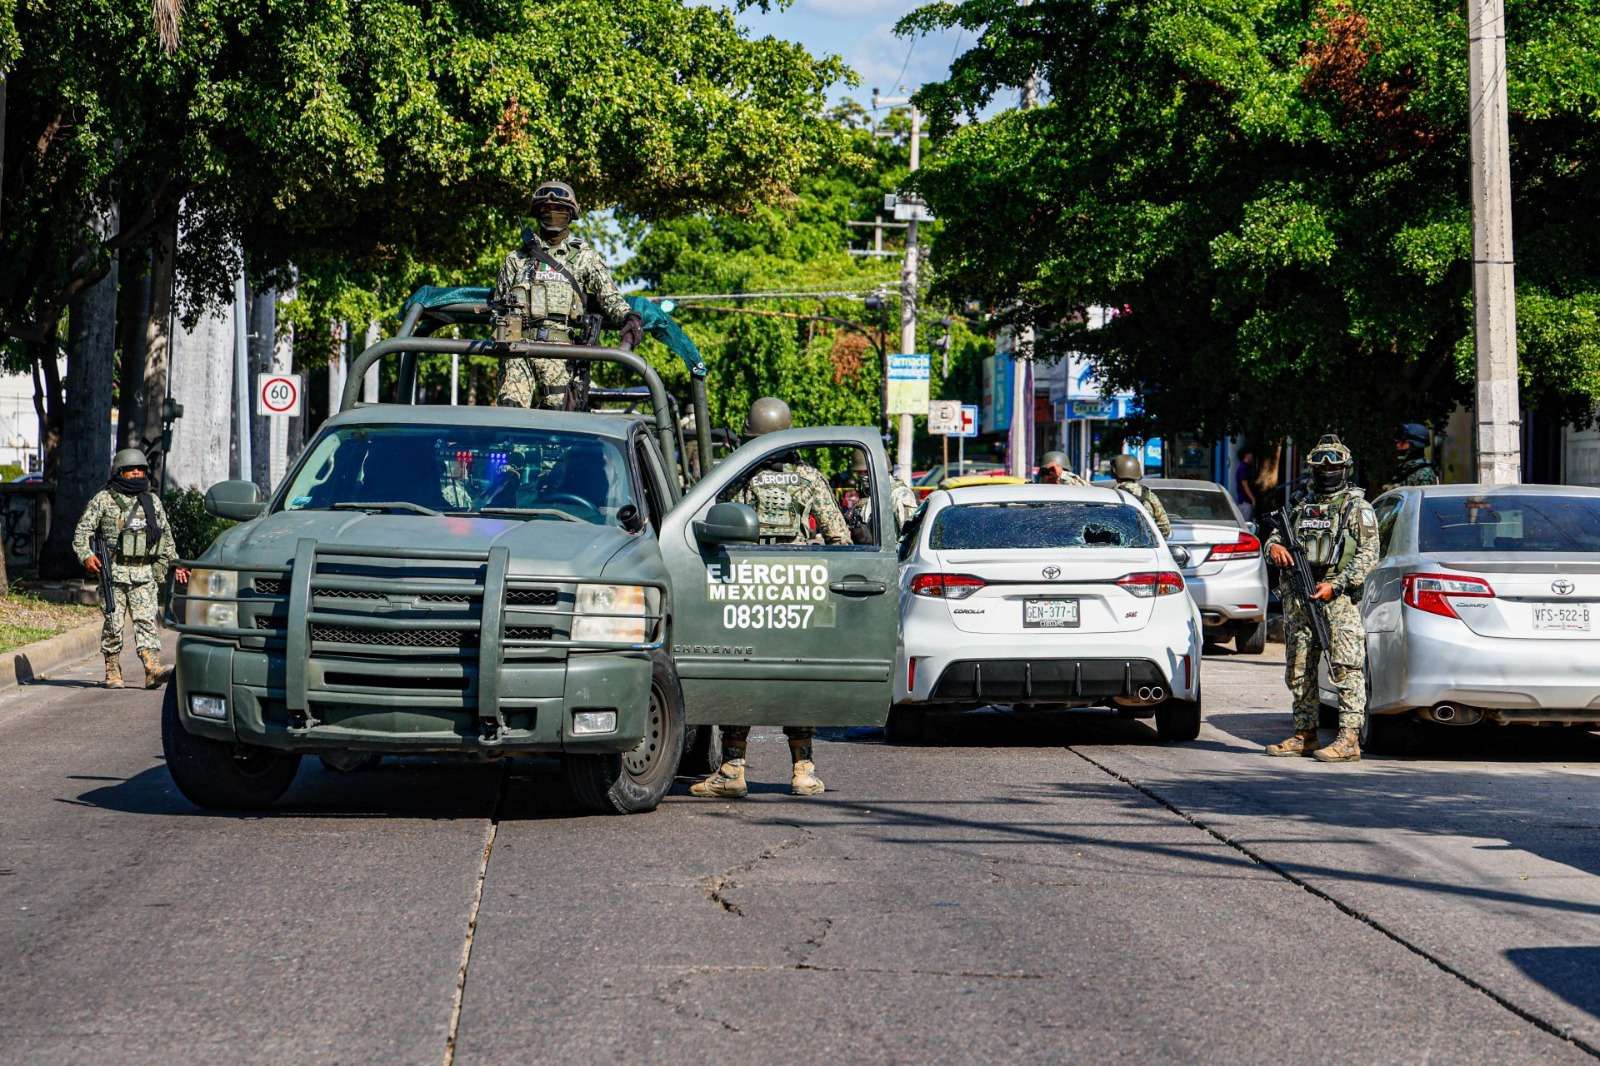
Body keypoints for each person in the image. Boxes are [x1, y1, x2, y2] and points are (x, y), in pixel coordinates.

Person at [689, 398, 848, 800]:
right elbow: (839, 538)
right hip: (800, 587)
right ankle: (803, 770)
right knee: (797, 675)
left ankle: (732, 770)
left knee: (739, 670)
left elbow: (710, 524)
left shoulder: (741, 476)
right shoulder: (810, 478)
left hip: (748, 583)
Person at [1263, 435, 1379, 763]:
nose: (1327, 472)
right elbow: (1275, 535)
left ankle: (1349, 739)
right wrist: (1273, 547)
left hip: (1337, 598)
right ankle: (1305, 734)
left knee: (1345, 668)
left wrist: (1338, 585)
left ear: (1345, 469)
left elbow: (1369, 554)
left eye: (1335, 467)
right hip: (1300, 594)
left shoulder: (1358, 507)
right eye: (1321, 467)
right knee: (1299, 667)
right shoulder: (1300, 505)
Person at [491, 180, 643, 410]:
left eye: (561, 209)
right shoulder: (516, 259)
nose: (553, 213)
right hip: (516, 350)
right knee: (509, 414)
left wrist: (629, 318)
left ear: (571, 214)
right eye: (546, 209)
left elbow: (610, 298)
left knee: (558, 420)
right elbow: (498, 307)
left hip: (561, 353)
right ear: (537, 213)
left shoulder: (584, 257)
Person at [72, 449, 190, 688]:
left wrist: (175, 563)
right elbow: (81, 533)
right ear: (120, 472)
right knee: (114, 625)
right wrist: (86, 556)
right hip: (113, 574)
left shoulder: (151, 501)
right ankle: (112, 670)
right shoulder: (103, 500)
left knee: (146, 621)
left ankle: (151, 668)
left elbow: (165, 536)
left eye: (141, 469)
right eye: (131, 469)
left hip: (143, 574)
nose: (137, 473)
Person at [843, 451, 917, 544]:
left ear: (880, 470)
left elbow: (911, 538)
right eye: (859, 472)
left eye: (866, 472)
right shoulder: (869, 495)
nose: (862, 476)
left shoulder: (900, 495)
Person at [1110, 454, 1171, 538]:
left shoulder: (1111, 495)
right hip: (1147, 547)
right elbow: (1164, 527)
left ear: (1114, 472)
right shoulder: (1149, 495)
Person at [1387, 423, 1439, 490]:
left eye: (1402, 442)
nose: (1398, 445)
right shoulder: (1405, 468)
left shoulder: (1424, 474)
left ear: (1415, 445)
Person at [1234, 446, 1256, 522]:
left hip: (1244, 501)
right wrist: (1252, 498)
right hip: (1245, 501)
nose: (1252, 456)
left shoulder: (1243, 467)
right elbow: (1245, 485)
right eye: (1251, 454)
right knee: (1246, 523)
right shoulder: (1243, 468)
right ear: (1247, 455)